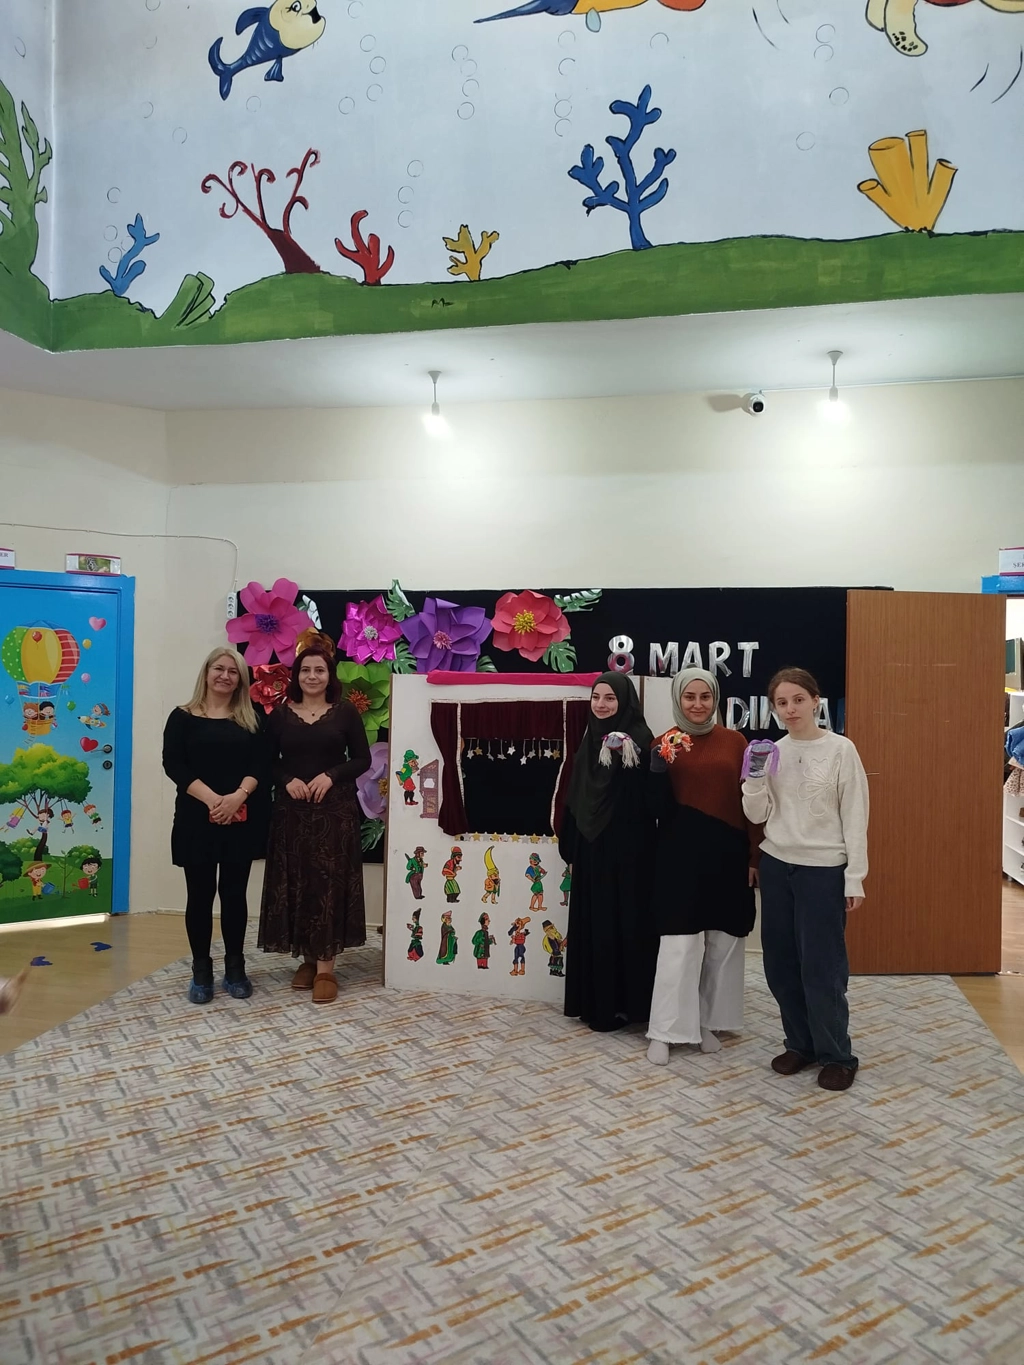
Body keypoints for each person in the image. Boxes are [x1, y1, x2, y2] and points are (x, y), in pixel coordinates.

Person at [741, 667, 869, 1093]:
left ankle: (837, 1055)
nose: (790, 709)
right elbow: (756, 814)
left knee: (822, 966)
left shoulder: (840, 750)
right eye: (782, 702)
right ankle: (801, 1043)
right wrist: (754, 777)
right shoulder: (772, 752)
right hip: (778, 866)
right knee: (780, 964)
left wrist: (855, 877)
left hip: (823, 870)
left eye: (798, 699)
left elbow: (855, 816)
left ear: (816, 701)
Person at [646, 669, 760, 1066]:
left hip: (728, 855)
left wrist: (755, 856)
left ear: (716, 699)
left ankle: (708, 1022)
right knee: (679, 946)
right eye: (689, 697)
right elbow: (653, 810)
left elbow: (751, 800)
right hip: (679, 858)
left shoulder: (735, 742)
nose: (697, 704)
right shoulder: (663, 743)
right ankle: (664, 1030)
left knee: (723, 944)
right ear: (678, 699)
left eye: (705, 697)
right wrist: (656, 772)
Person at [258, 645, 371, 1004]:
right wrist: (286, 779)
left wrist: (331, 775)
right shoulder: (280, 714)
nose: (312, 676)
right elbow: (265, 761)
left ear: (329, 675)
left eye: (319, 670)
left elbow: (363, 759)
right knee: (298, 882)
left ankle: (325, 968)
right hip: (291, 813)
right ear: (296, 675)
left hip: (334, 813)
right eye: (305, 670)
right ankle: (306, 959)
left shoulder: (345, 712)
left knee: (328, 884)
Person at [162, 647, 271, 1004]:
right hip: (196, 819)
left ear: (241, 679)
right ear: (206, 673)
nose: (225, 676)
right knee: (199, 895)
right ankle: (201, 971)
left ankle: (235, 969)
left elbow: (262, 763)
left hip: (242, 816)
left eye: (233, 671)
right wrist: (212, 800)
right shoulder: (181, 717)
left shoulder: (253, 716)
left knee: (234, 895)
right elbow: (174, 764)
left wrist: (237, 797)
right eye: (219, 669)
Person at [560, 672, 658, 1032]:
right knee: (595, 925)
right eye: (596, 697)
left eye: (610, 698)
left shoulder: (642, 740)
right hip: (591, 850)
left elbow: (649, 801)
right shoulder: (589, 740)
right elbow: (576, 797)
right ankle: (597, 1006)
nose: (601, 704)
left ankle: (629, 1007)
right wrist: (571, 848)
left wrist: (628, 758)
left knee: (626, 924)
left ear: (625, 701)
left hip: (630, 854)